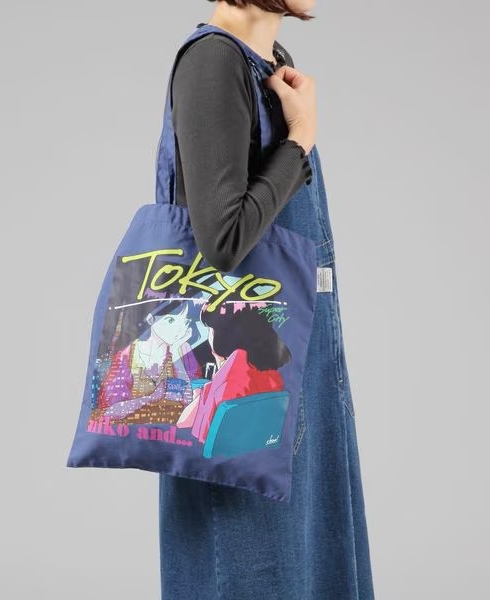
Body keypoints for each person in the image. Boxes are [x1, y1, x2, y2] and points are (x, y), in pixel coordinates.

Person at [158, 2, 376, 599]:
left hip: (288, 371)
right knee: (255, 573)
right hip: (243, 383)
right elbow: (223, 239)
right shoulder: (212, 61)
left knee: (308, 568)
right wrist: (299, 139)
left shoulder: (268, 63)